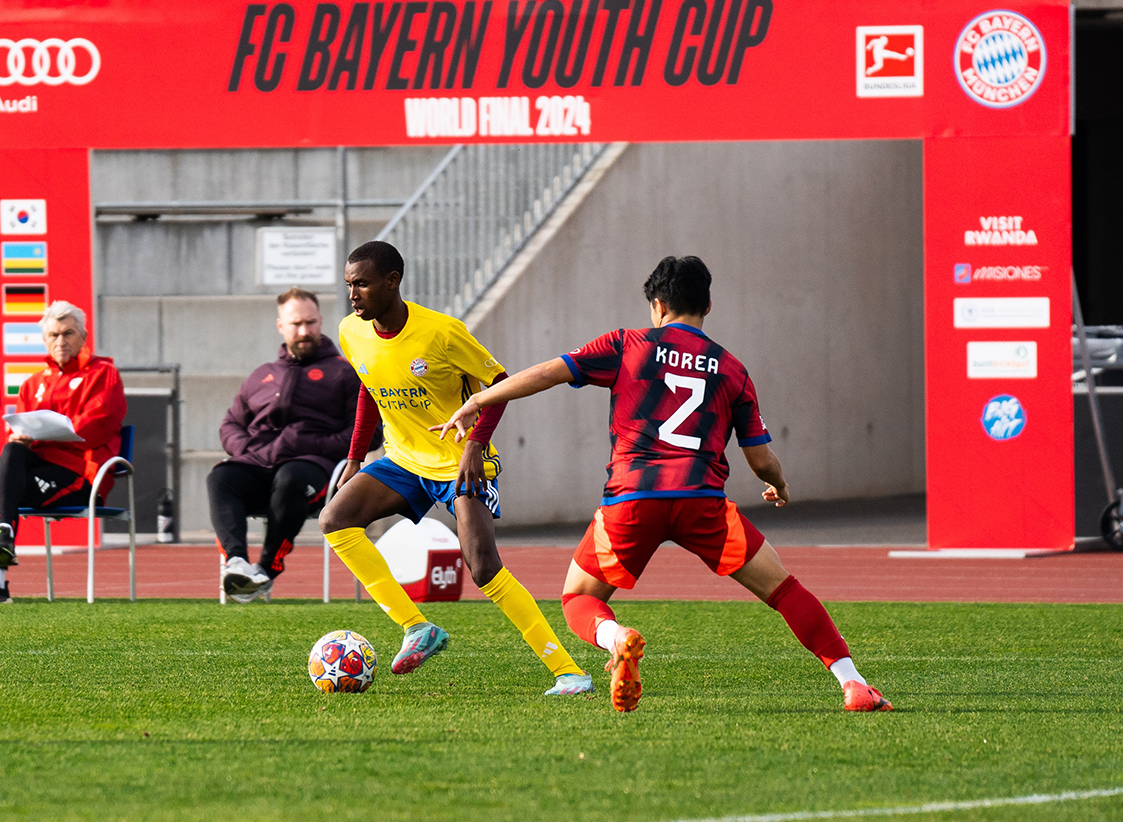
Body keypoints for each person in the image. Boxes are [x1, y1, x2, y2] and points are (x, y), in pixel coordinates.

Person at [431, 256, 894, 714]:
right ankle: (853, 684)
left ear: (657, 306)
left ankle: (618, 639)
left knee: (578, 598)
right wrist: (780, 485)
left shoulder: (627, 345)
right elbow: (760, 458)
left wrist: (479, 399)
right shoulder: (731, 369)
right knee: (784, 590)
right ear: (707, 306)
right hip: (702, 501)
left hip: (632, 500)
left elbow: (549, 372)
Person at [323, 240, 591, 694]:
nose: (353, 295)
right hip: (404, 460)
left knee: (483, 567)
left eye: (362, 284)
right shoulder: (351, 331)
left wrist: (475, 447)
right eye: (349, 285)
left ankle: (568, 671)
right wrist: (355, 456)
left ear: (392, 282)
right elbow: (370, 387)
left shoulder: (442, 333)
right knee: (335, 519)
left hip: (459, 463)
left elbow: (499, 384)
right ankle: (417, 627)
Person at [0, 300, 126, 604]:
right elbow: (19, 431)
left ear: (83, 337)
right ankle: (1, 548)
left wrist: (43, 435)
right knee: (10, 452)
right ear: (45, 340)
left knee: (2, 486)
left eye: (68, 334)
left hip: (81, 474)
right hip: (38, 470)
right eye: (54, 335)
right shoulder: (33, 384)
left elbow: (95, 426)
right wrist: (24, 437)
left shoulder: (103, 373)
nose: (61, 341)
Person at [211, 287, 372, 602]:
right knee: (221, 477)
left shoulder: (344, 373)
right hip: (259, 465)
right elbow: (230, 425)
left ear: (321, 321)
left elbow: (368, 433)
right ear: (280, 326)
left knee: (291, 476)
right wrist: (247, 450)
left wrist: (309, 443)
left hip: (314, 471)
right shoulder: (262, 375)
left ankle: (266, 570)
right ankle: (237, 564)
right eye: (296, 324)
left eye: (310, 323)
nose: (304, 331)